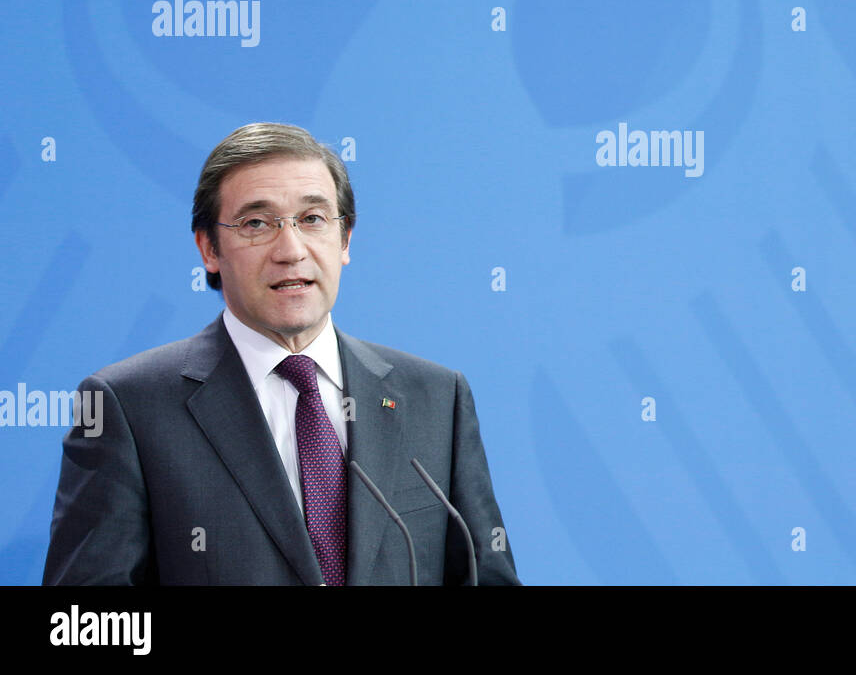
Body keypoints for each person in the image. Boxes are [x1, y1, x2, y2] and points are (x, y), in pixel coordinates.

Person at [44, 123, 519, 585]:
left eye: (312, 219)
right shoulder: (129, 406)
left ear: (345, 239)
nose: (290, 249)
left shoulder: (435, 397)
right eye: (257, 223)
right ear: (209, 248)